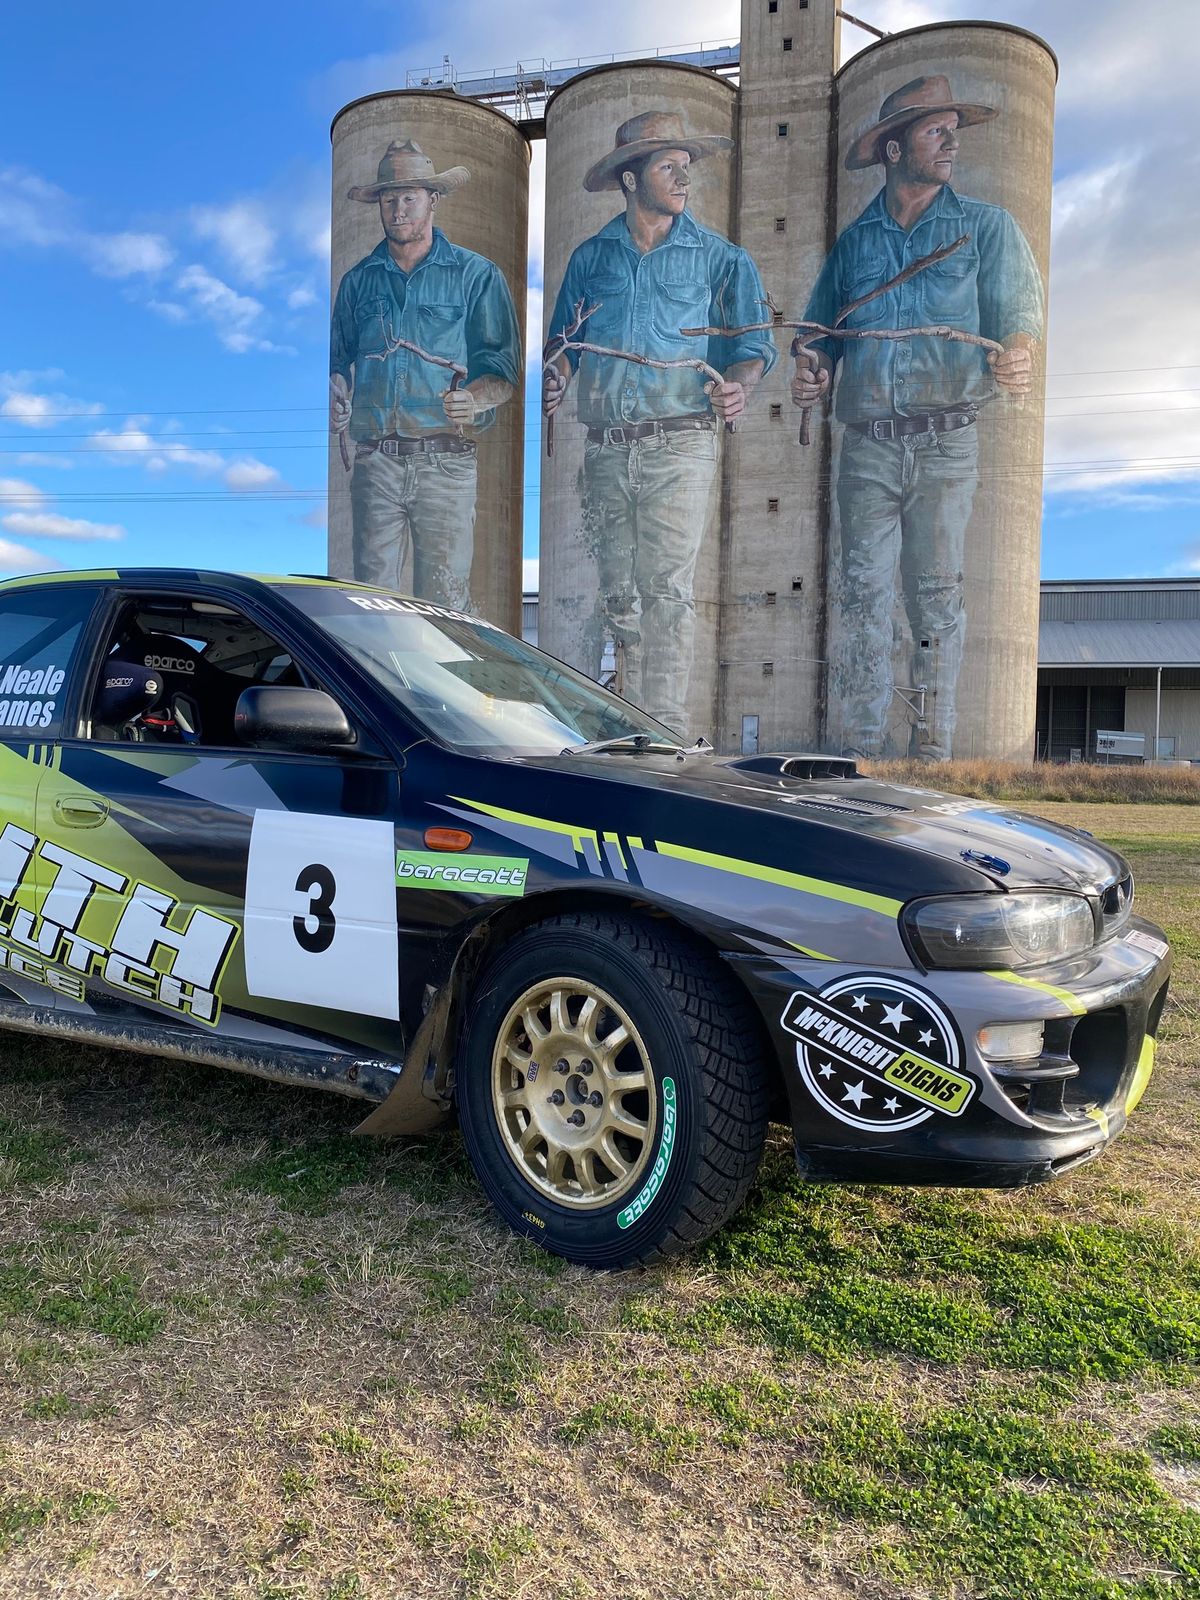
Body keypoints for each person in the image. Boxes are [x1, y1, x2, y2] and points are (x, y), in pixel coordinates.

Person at [792, 75, 1043, 760]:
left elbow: (1018, 316)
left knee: (935, 599)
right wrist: (811, 368)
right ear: (894, 147)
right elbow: (818, 331)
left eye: (952, 126)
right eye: (935, 129)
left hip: (945, 442)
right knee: (862, 599)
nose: (951, 139)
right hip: (866, 447)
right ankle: (861, 753)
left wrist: (1016, 355)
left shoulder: (986, 228)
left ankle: (932, 756)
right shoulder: (854, 245)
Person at [543, 111, 775, 735]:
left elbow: (755, 346)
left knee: (666, 591)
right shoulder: (591, 259)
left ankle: (665, 731)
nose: (683, 179)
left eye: (686, 167)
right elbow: (562, 342)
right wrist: (558, 372)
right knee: (619, 593)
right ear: (630, 177)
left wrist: (740, 385)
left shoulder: (722, 259)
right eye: (669, 167)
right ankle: (629, 726)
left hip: (681, 441)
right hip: (607, 448)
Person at [330, 140, 521, 612]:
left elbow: (502, 370)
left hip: (446, 464)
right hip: (375, 465)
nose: (397, 210)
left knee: (446, 607)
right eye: (388, 199)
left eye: (409, 197)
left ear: (433, 199)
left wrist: (474, 400)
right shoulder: (356, 282)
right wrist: (339, 392)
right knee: (371, 607)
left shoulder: (477, 276)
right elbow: (338, 364)